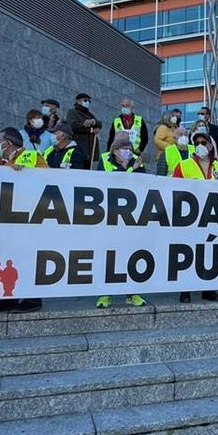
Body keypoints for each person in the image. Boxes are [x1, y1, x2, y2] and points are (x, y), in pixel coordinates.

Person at [0, 128, 48, 314]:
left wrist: (25, 172)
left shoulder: (31, 156)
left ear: (8, 143)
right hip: (8, 218)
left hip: (27, 218)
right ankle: (8, 298)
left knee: (27, 258)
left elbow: (48, 178)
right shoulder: (4, 162)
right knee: (7, 258)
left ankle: (32, 299)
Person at [95, 135, 149, 309]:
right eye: (124, 149)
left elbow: (142, 183)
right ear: (115, 151)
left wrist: (133, 168)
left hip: (131, 217)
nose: (128, 152)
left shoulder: (137, 162)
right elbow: (105, 182)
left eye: (129, 149)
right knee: (108, 254)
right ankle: (105, 293)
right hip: (109, 215)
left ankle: (132, 292)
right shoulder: (104, 160)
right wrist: (129, 169)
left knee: (130, 253)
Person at [173, 131, 218, 303]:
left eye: (204, 142)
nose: (200, 145)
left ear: (210, 146)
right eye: (197, 142)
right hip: (190, 216)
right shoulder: (184, 164)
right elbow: (175, 188)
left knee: (209, 252)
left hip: (212, 215)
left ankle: (208, 289)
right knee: (188, 252)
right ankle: (185, 289)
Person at [66, 93, 100, 169]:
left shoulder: (90, 114)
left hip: (90, 149)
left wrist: (94, 122)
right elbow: (72, 125)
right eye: (85, 100)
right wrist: (89, 128)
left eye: (89, 101)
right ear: (77, 101)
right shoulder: (72, 112)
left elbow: (99, 123)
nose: (87, 102)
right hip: (79, 146)